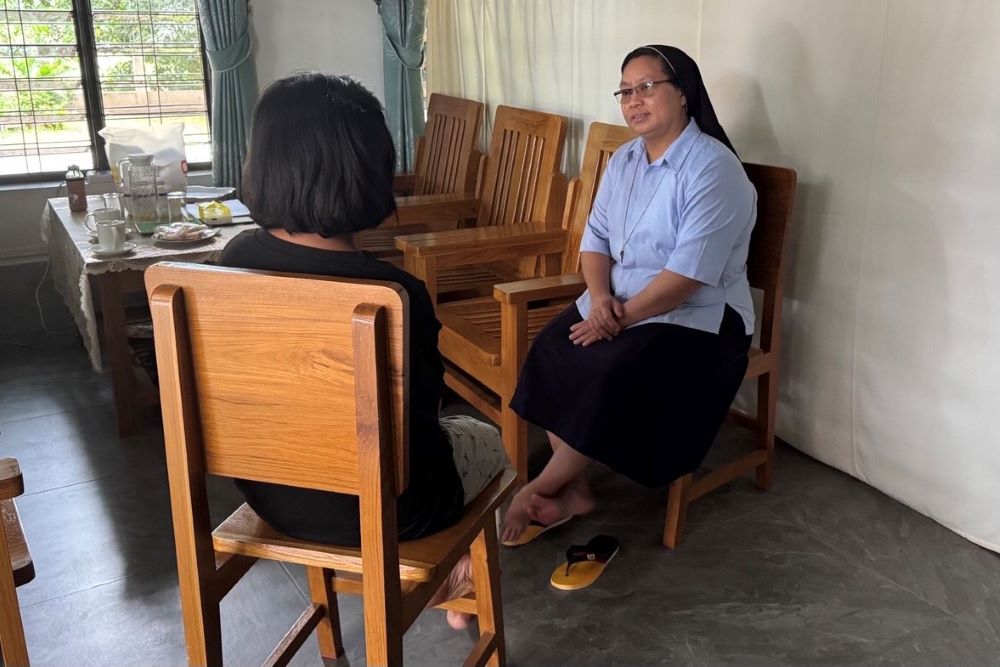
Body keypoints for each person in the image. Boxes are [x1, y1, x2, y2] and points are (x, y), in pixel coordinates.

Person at [220, 73, 508, 628]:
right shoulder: (391, 296)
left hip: (271, 497)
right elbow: (419, 424)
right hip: (392, 511)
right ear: (370, 171)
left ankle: (447, 575)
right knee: (489, 439)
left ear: (262, 163)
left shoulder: (229, 264)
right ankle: (457, 576)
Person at [501, 45, 757, 544]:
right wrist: (599, 301)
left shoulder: (713, 168)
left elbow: (689, 277)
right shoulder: (625, 159)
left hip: (700, 317)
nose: (633, 100)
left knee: (608, 368)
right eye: (625, 91)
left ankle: (541, 487)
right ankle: (574, 489)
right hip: (617, 302)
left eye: (646, 87)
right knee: (554, 348)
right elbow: (594, 241)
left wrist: (615, 320)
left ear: (682, 92)